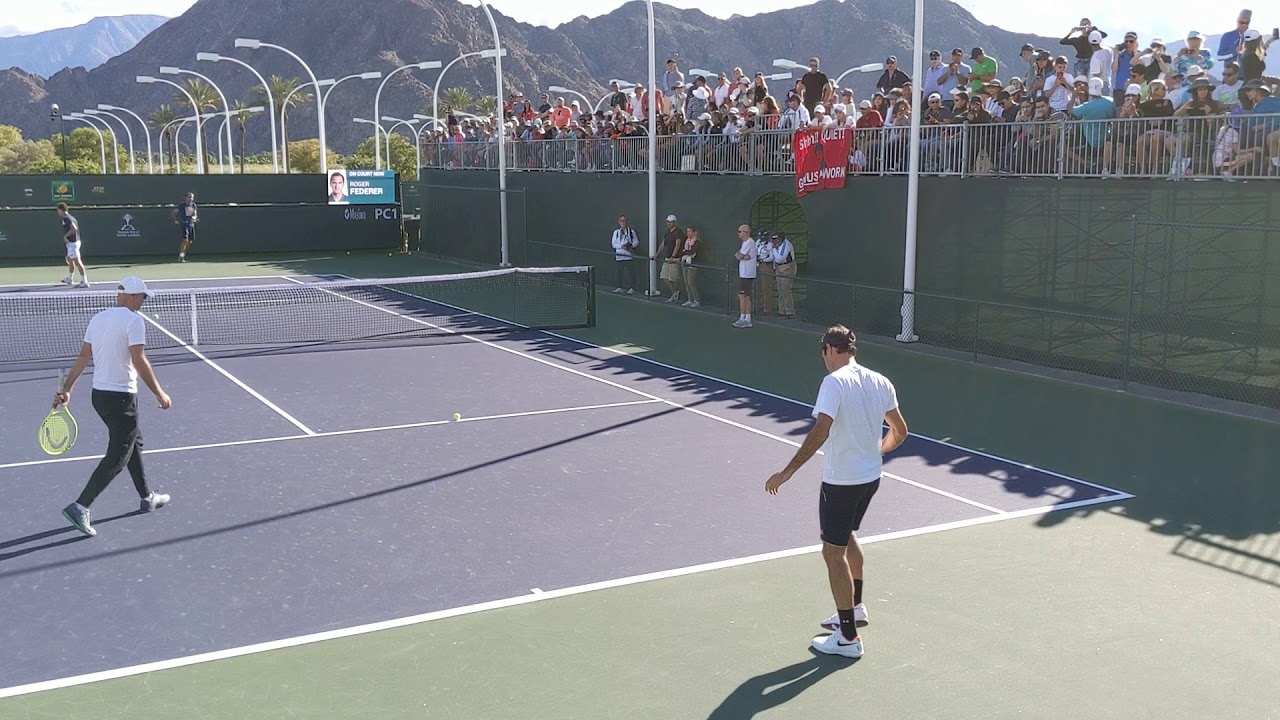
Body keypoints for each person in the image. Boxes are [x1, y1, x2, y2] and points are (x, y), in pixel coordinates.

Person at [765, 325, 909, 658]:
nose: (823, 358)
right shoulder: (881, 381)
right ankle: (855, 608)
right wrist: (876, 452)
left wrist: (787, 471)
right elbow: (900, 431)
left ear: (830, 349)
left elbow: (821, 430)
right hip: (870, 478)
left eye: (823, 353)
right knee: (848, 536)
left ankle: (847, 637)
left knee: (832, 552)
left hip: (842, 482)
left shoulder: (833, 383)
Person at [56, 276, 173, 538]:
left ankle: (147, 497)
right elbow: (139, 359)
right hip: (122, 399)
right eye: (143, 297)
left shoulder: (98, 318)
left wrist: (67, 389)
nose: (143, 301)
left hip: (99, 397)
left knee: (133, 442)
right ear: (133, 296)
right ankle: (81, 506)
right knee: (119, 454)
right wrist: (159, 393)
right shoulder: (134, 321)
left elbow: (84, 357)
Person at [56, 202, 88, 288]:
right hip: (72, 243)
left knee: (78, 262)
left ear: (61, 210)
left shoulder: (67, 218)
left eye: (58, 210)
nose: (58, 212)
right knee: (70, 260)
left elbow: (74, 229)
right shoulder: (70, 217)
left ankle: (84, 281)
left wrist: (65, 236)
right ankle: (70, 279)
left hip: (73, 244)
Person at [732, 223, 756, 328]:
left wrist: (741, 256)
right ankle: (746, 318)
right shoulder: (746, 243)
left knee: (743, 296)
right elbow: (739, 255)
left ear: (746, 232)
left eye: (739, 231)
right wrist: (741, 256)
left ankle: (743, 319)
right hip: (745, 273)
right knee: (745, 296)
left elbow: (739, 256)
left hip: (747, 274)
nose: (738, 233)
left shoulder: (749, 242)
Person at [175, 192, 199, 262]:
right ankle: (181, 257)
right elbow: (174, 212)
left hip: (191, 224)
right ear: (186, 198)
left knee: (190, 241)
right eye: (189, 197)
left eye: (192, 197)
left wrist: (194, 218)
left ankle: (183, 256)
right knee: (185, 239)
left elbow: (195, 214)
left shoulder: (194, 205)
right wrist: (175, 220)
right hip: (184, 224)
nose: (191, 198)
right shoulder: (181, 206)